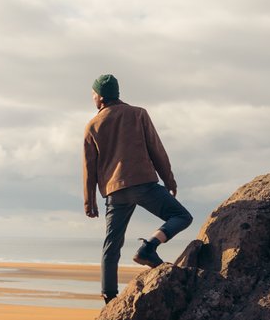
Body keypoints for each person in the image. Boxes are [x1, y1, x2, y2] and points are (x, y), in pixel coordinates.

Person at [82, 73, 193, 303]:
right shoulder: (138, 114)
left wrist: (89, 201)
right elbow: (156, 150)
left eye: (93, 94)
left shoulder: (92, 125)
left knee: (111, 245)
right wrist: (169, 179)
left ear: (100, 97)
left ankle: (109, 295)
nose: (93, 98)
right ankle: (149, 247)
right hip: (143, 183)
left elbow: (89, 168)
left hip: (115, 192)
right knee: (181, 216)